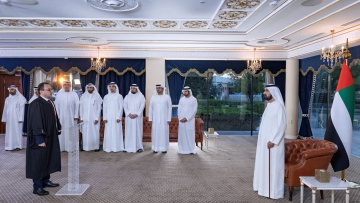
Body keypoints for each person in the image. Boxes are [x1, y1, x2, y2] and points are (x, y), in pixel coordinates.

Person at [26, 82, 62, 196]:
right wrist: (39, 139)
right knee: (38, 161)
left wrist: (58, 128)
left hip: (50, 136)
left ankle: (45, 180)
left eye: (51, 89)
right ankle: (37, 186)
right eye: (49, 89)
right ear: (41, 91)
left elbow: (55, 118)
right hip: (40, 138)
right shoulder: (36, 104)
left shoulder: (50, 102)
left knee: (48, 158)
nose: (51, 91)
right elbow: (36, 123)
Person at [253, 84, 287, 199]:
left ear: (273, 92)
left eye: (266, 90)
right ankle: (263, 189)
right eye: (264, 90)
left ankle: (274, 193)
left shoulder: (279, 106)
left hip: (273, 144)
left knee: (273, 168)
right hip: (264, 143)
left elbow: (281, 125)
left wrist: (273, 140)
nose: (264, 93)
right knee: (264, 166)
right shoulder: (269, 106)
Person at [54, 81, 79, 152]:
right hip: (61, 117)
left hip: (71, 117)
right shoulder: (59, 94)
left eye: (68, 85)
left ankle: (70, 148)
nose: (67, 86)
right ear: (63, 85)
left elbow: (77, 106)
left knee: (70, 131)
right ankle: (61, 147)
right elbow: (56, 106)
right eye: (65, 85)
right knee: (62, 131)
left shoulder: (74, 94)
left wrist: (76, 115)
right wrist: (57, 115)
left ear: (70, 86)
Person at [1, 85, 27, 151]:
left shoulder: (20, 99)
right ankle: (9, 146)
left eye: (12, 89)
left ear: (16, 90)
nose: (10, 91)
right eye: (10, 89)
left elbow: (22, 109)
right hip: (9, 119)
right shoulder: (7, 99)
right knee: (9, 132)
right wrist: (4, 118)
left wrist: (21, 118)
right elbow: (5, 109)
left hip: (17, 119)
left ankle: (17, 146)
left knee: (17, 131)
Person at [149, 84, 172, 153]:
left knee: (163, 133)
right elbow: (150, 108)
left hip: (164, 119)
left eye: (159, 88)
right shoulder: (153, 97)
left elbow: (169, 108)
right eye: (157, 88)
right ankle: (155, 148)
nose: (158, 89)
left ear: (162, 89)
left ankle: (164, 148)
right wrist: (150, 118)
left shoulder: (167, 97)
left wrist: (169, 118)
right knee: (155, 133)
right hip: (155, 119)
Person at [79, 83, 102, 152]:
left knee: (94, 132)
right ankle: (85, 146)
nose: (89, 89)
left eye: (91, 88)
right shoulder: (83, 96)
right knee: (85, 132)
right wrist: (82, 117)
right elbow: (81, 108)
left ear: (93, 88)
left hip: (94, 118)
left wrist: (96, 118)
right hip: (85, 118)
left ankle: (96, 147)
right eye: (88, 88)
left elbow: (99, 108)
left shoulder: (97, 96)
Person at [103, 82, 124, 152]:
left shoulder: (119, 96)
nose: (111, 88)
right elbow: (104, 108)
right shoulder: (106, 97)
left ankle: (117, 147)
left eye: (113, 86)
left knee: (116, 132)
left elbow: (121, 107)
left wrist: (119, 117)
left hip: (116, 117)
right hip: (108, 117)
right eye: (110, 87)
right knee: (108, 132)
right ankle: (108, 147)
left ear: (115, 88)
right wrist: (105, 117)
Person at [124, 84, 145, 153]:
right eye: (132, 88)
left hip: (137, 118)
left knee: (138, 132)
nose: (132, 89)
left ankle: (139, 147)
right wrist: (129, 114)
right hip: (129, 117)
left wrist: (137, 114)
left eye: (134, 88)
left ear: (137, 89)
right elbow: (125, 106)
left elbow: (142, 106)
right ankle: (128, 147)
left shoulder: (141, 97)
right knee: (129, 132)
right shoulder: (127, 97)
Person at [177, 86, 198, 155]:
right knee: (182, 135)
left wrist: (187, 118)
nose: (184, 92)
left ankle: (191, 150)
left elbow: (194, 111)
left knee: (190, 135)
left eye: (186, 91)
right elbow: (179, 109)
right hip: (182, 121)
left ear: (189, 91)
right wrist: (180, 118)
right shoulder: (181, 99)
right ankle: (181, 149)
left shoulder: (193, 99)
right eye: (184, 91)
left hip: (189, 121)